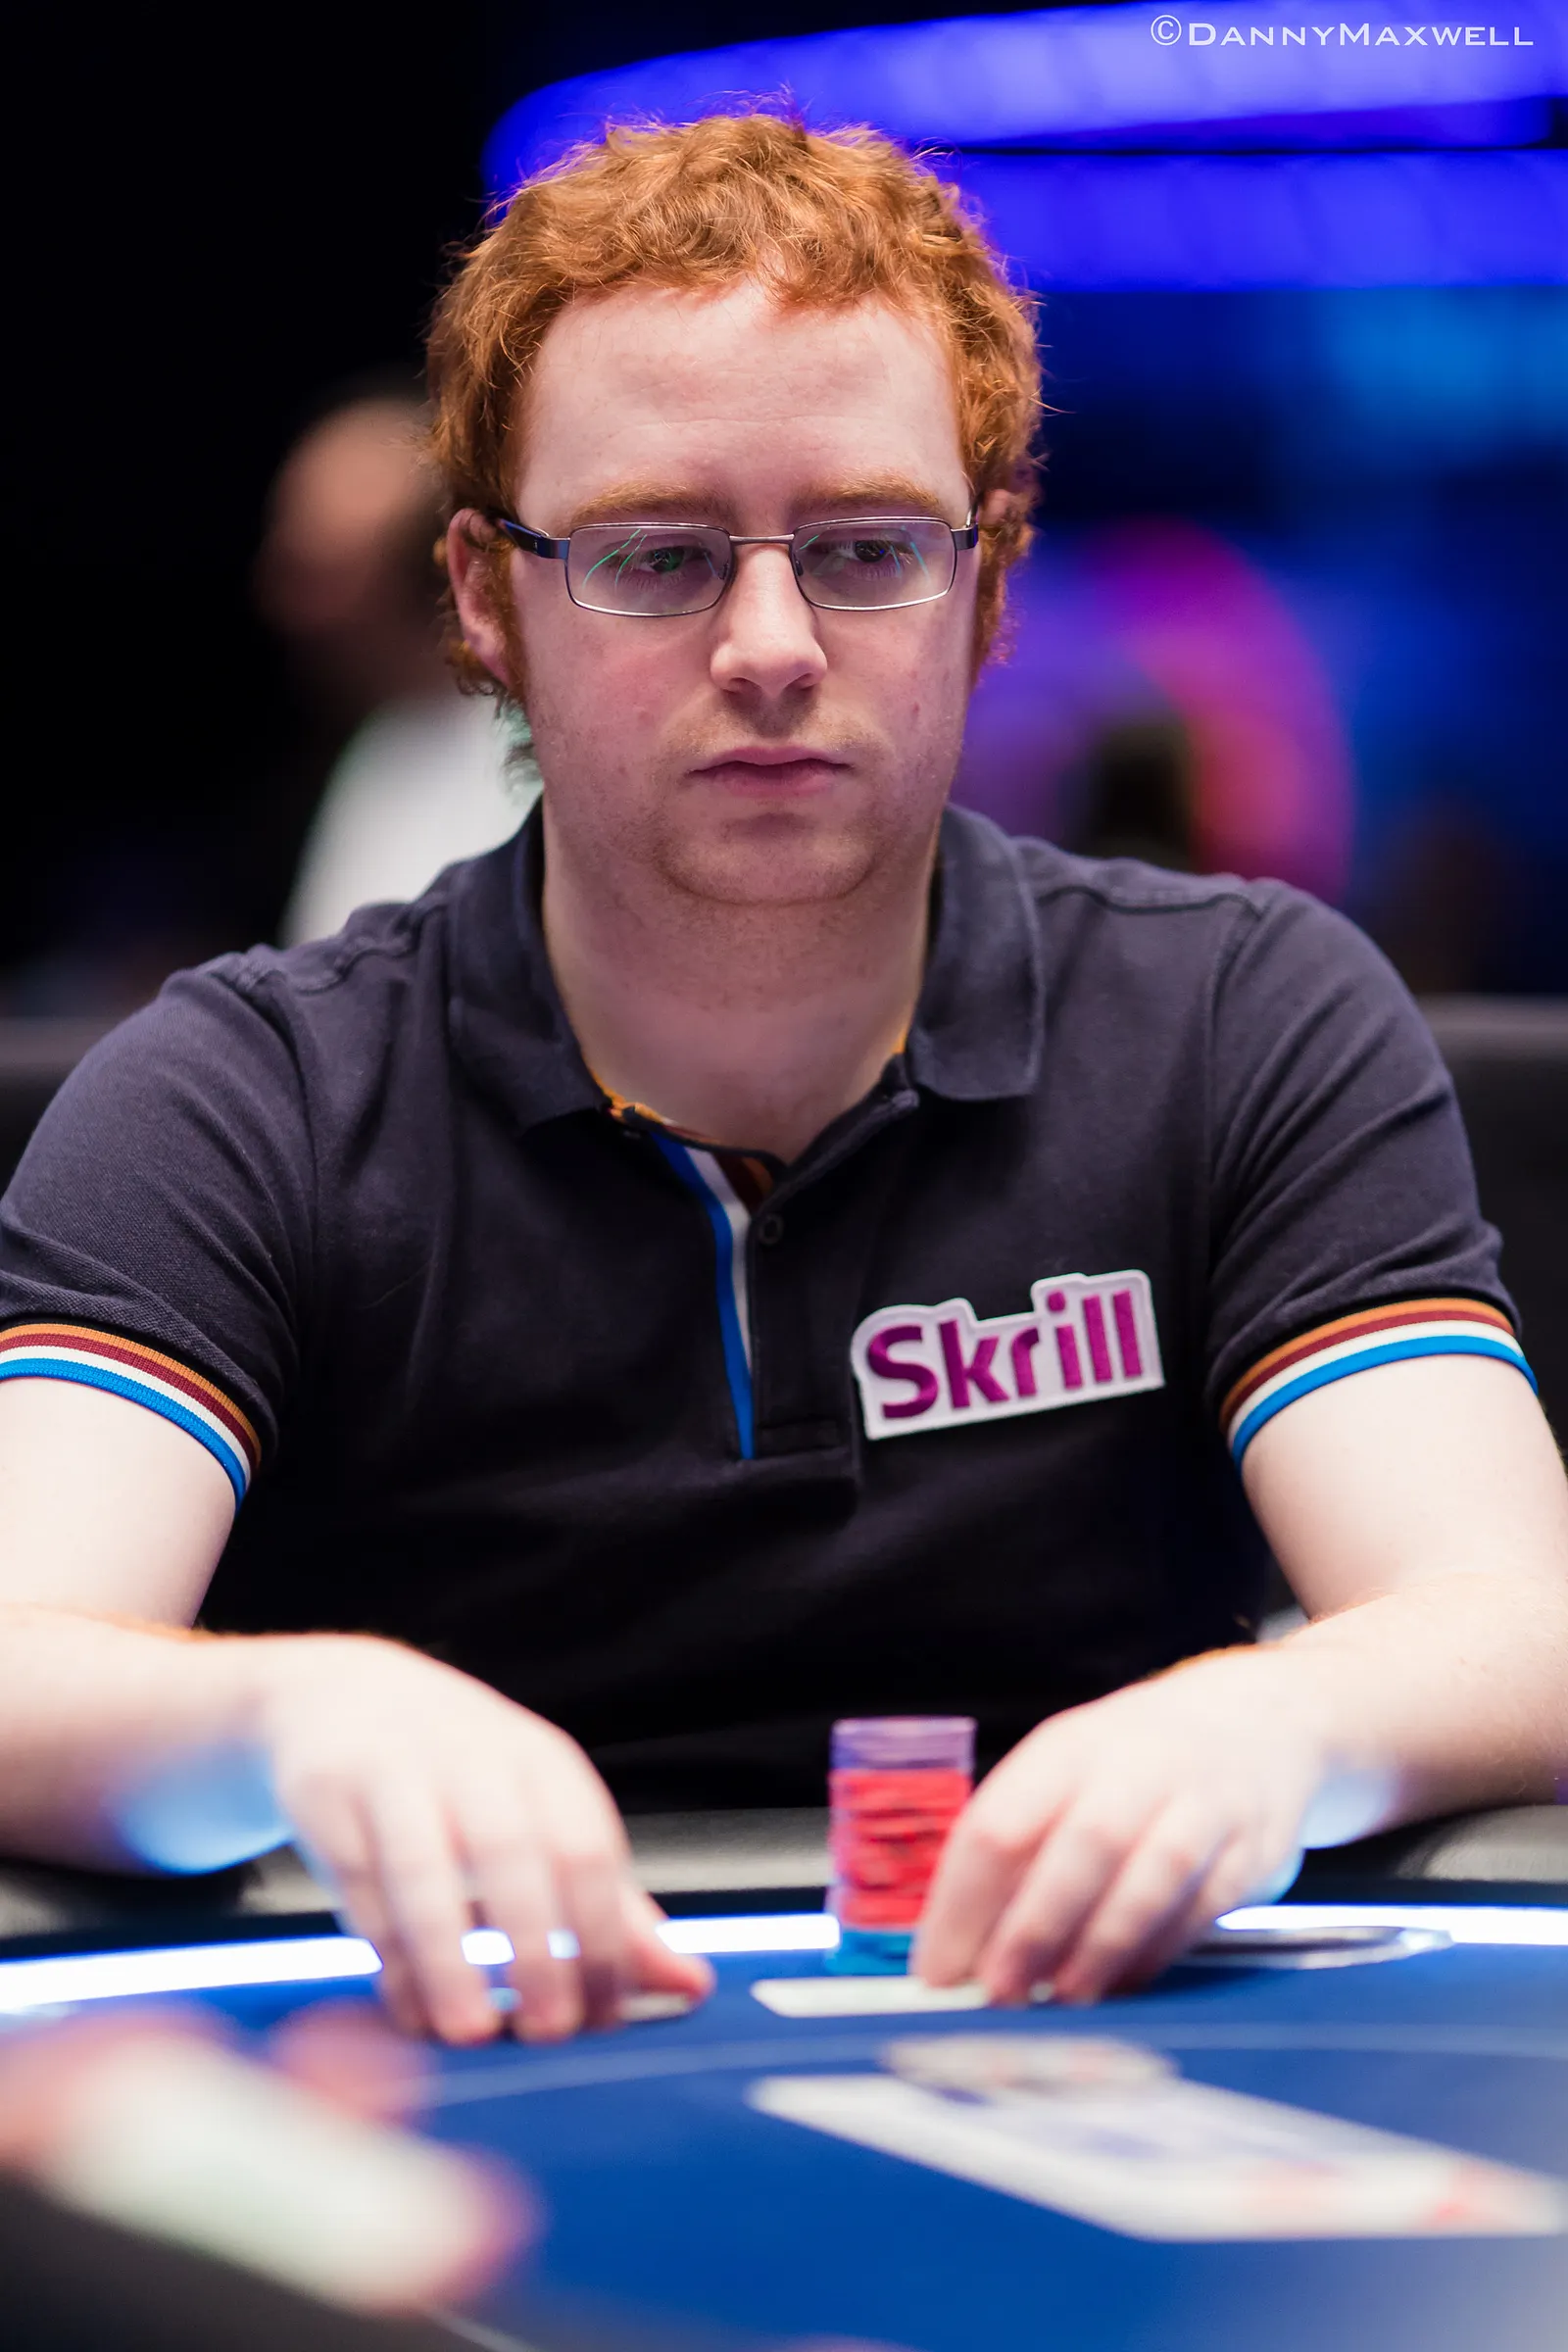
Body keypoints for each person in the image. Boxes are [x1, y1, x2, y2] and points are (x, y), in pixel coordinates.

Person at [0, 117, 1563, 2049]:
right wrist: (292, 1713)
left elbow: (1521, 1625)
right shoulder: (245, 1098)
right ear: (486, 597)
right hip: (444, 2081)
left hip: (1097, 2044)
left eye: (864, 550)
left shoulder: (1243, 1019)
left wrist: (1276, 1722)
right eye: (657, 557)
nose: (766, 647)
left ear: (989, 580)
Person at [254, 388, 536, 944]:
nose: (281, 603)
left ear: (434, 575)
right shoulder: (384, 745)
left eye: (319, 575)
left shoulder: (534, 757)